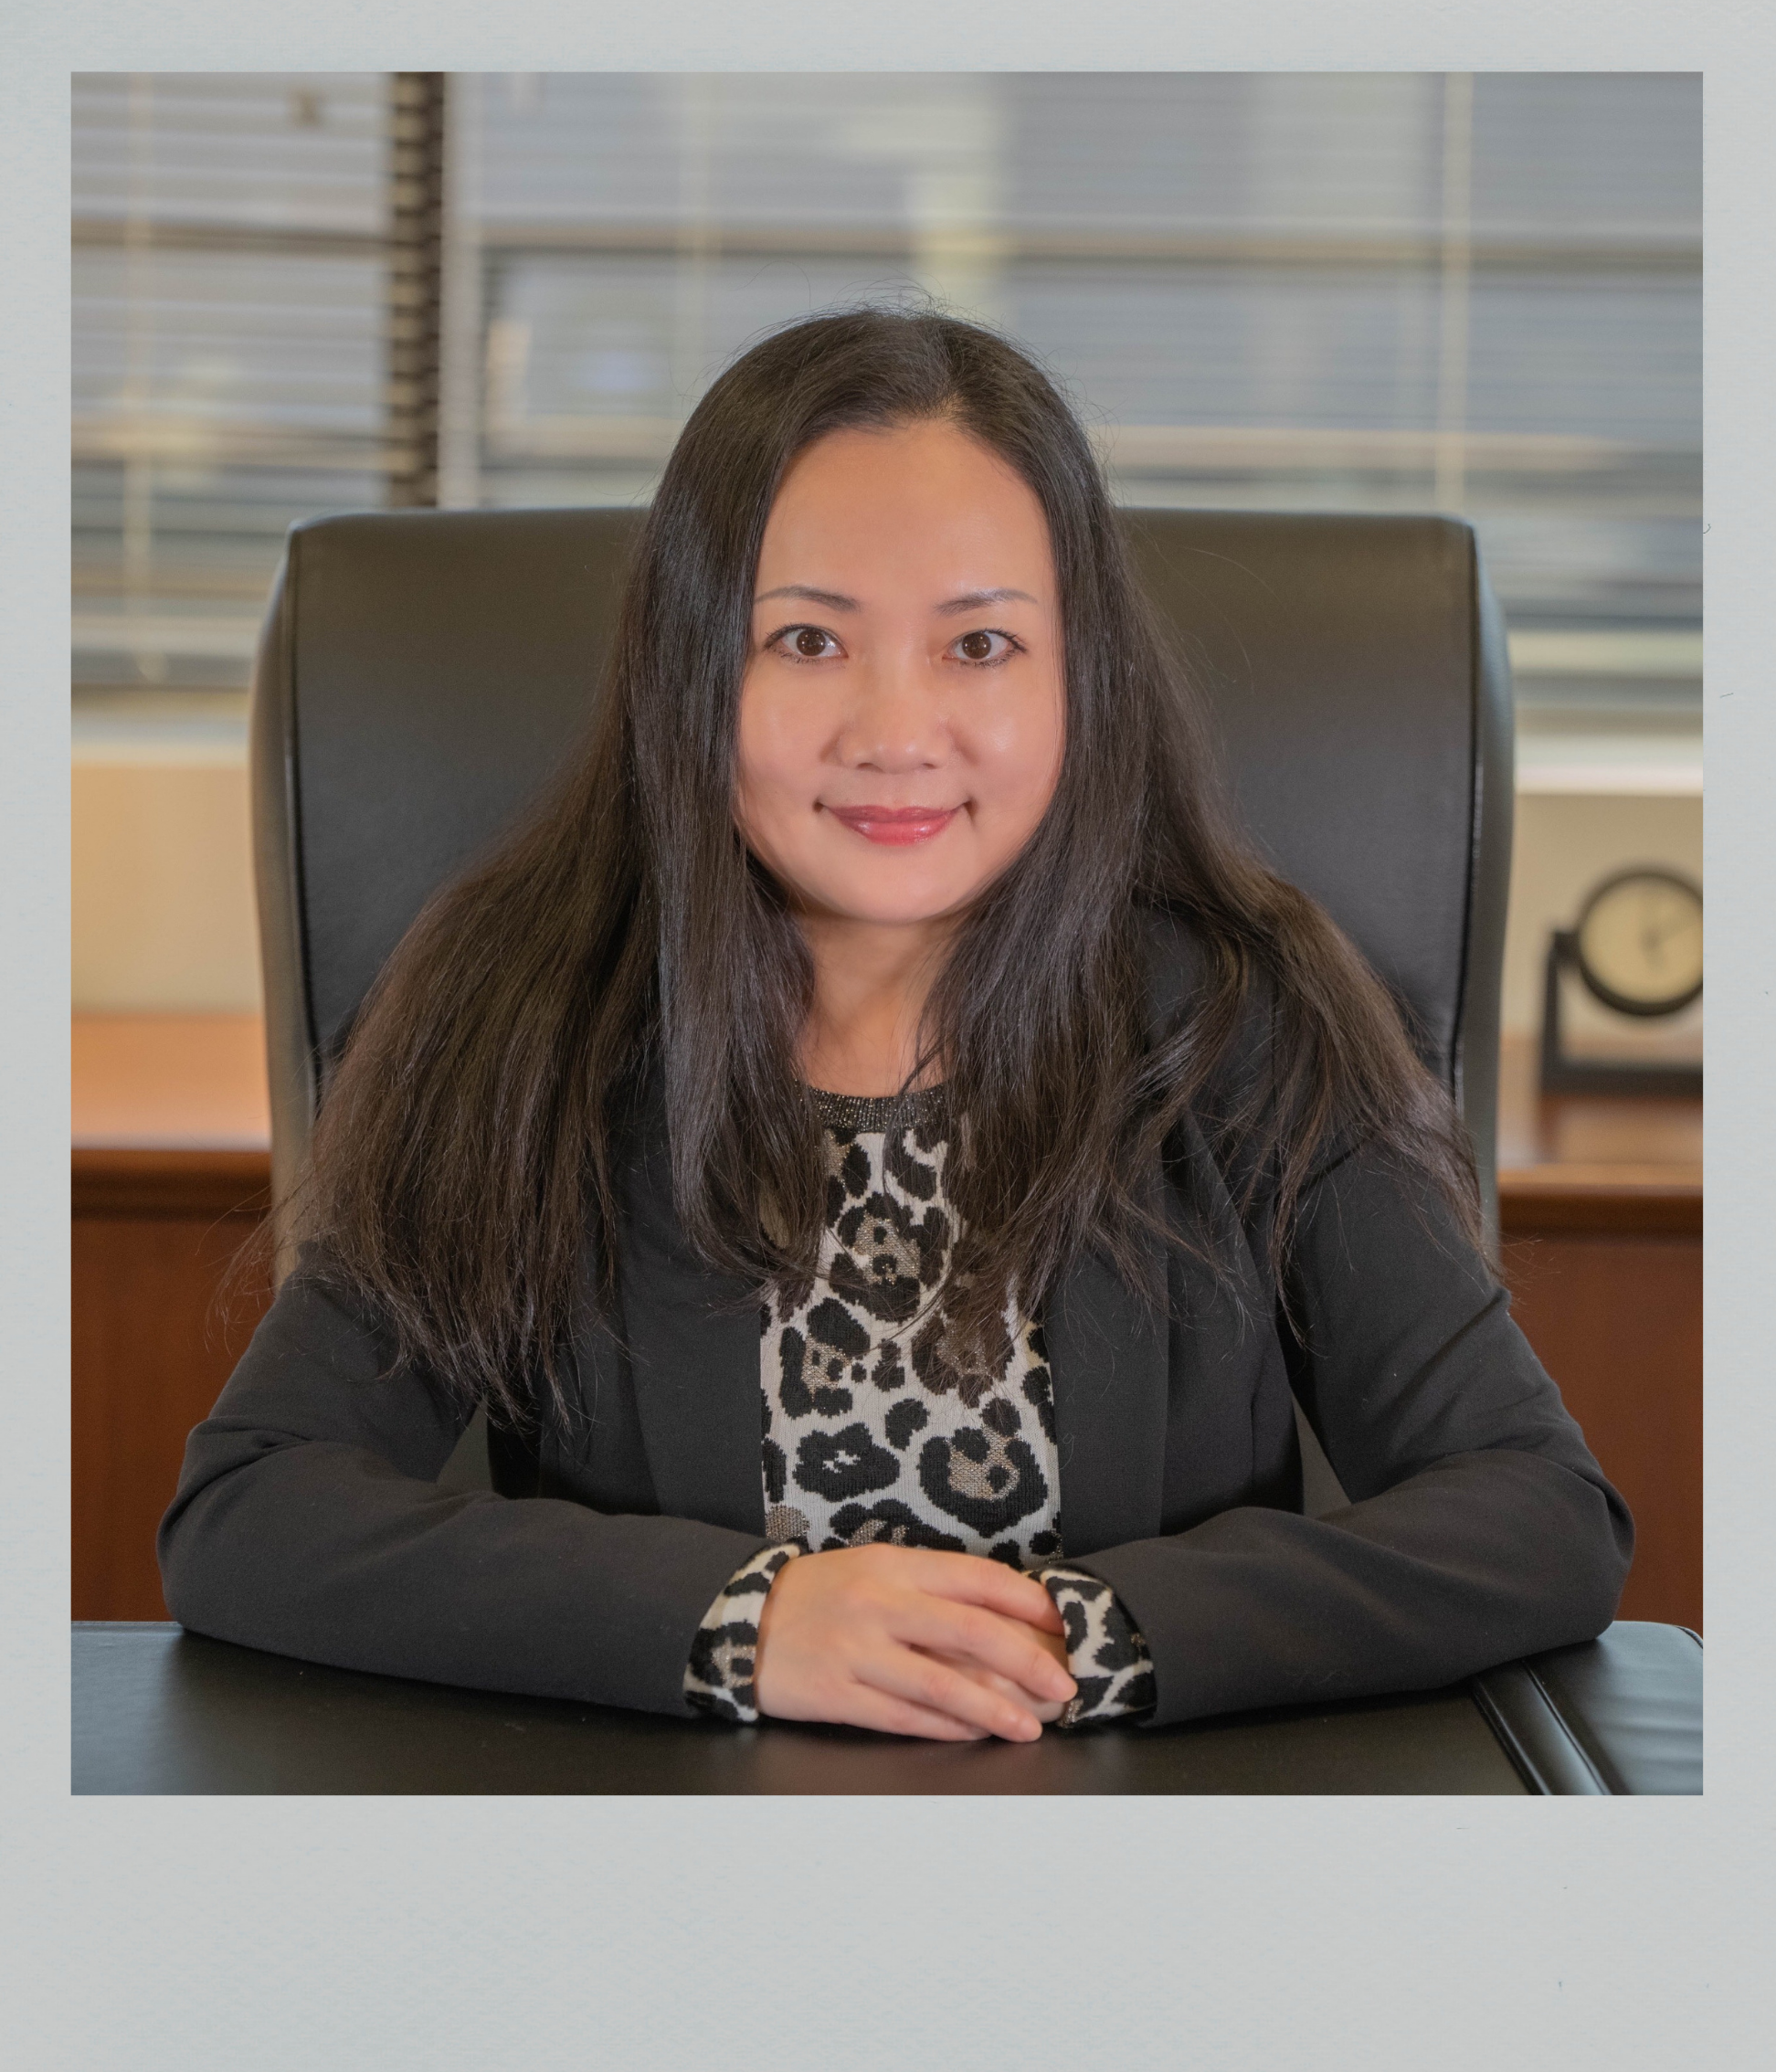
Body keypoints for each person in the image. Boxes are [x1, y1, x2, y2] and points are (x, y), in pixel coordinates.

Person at [158, 306, 1632, 1745]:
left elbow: (1535, 1512)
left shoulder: (1247, 1013)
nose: (894, 729)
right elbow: (253, 1510)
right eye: (805, 641)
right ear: (690, 669)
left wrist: (1063, 1645)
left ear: (1079, 677)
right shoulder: (524, 1006)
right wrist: (743, 1622)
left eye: (980, 647)